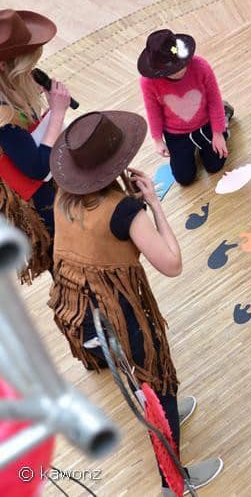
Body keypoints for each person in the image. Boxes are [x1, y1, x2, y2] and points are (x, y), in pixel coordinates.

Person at [47, 111, 222, 494]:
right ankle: (172, 483)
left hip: (79, 312)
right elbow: (172, 263)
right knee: (158, 384)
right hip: (120, 315)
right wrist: (153, 205)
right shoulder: (125, 211)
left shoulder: (63, 196)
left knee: (137, 377)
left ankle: (160, 409)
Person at [0, 9, 72, 284]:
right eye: (27, 65)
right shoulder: (2, 115)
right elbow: (37, 168)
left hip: (49, 191)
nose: (32, 71)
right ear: (5, 67)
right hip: (39, 203)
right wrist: (57, 114)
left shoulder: (9, 90)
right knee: (68, 266)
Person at [138, 29, 233, 186]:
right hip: (175, 133)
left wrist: (218, 133)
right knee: (184, 178)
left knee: (215, 166)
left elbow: (214, 100)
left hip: (205, 124)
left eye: (180, 65)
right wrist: (157, 140)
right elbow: (153, 112)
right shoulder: (148, 82)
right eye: (170, 70)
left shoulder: (201, 66)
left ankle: (224, 117)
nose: (178, 71)